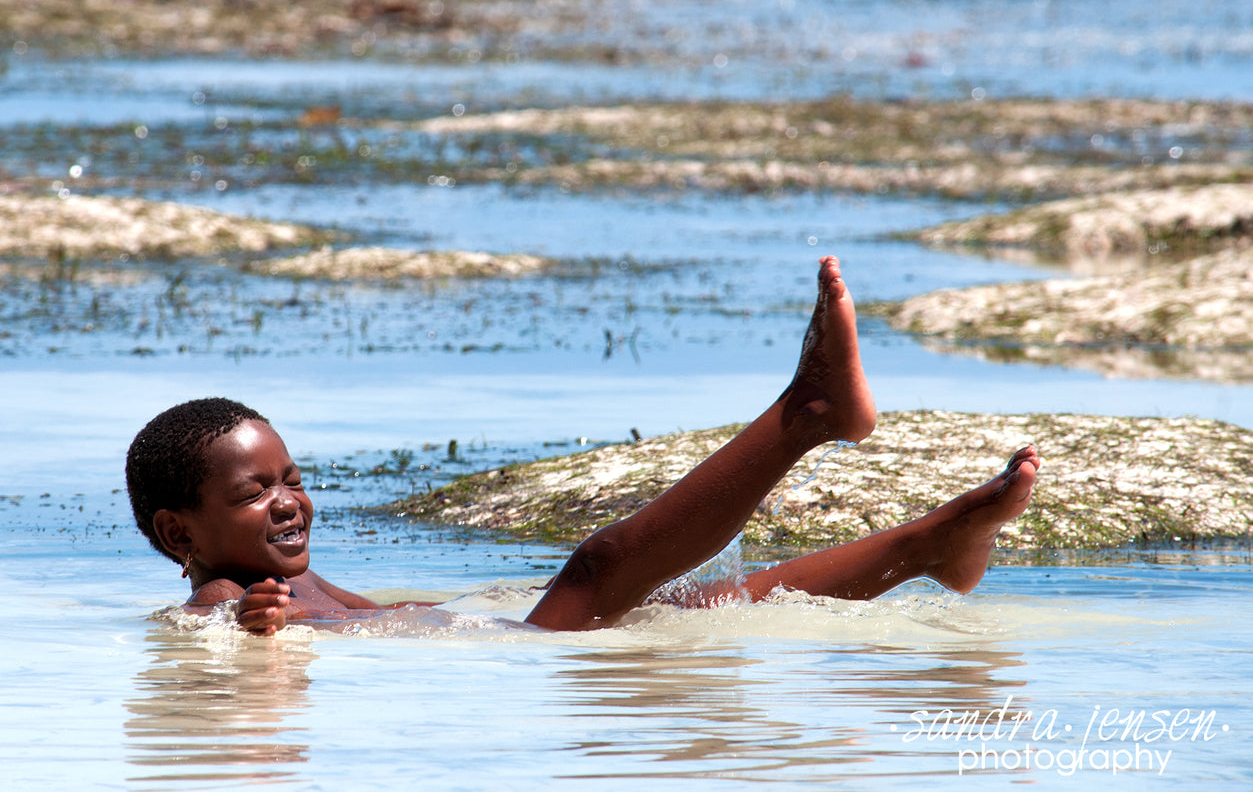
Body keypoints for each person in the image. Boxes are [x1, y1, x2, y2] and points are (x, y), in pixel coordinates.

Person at [125, 256, 1037, 635]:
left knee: (712, 596)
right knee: (600, 566)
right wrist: (247, 627)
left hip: (476, 628)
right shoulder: (225, 594)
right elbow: (204, 635)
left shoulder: (277, 578)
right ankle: (806, 415)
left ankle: (930, 543)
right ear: (178, 532)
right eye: (252, 493)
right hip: (506, 654)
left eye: (291, 478)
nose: (287, 501)